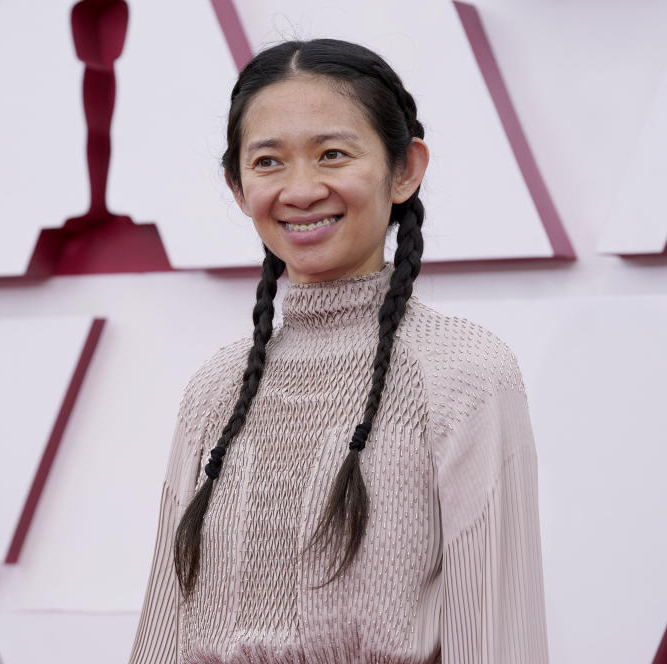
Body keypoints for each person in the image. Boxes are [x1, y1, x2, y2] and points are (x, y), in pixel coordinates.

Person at [127, 38, 549, 663]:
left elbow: (497, 638)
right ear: (238, 189)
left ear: (404, 168)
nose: (300, 190)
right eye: (268, 162)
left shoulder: (463, 374)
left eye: (332, 154)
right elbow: (164, 634)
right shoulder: (215, 390)